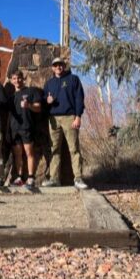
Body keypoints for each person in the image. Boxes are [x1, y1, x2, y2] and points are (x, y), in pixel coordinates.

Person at [42, 58, 88, 189]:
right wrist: (47, 100)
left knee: (74, 148)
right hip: (53, 119)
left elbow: (79, 98)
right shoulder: (49, 83)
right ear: (52, 67)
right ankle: (54, 178)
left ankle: (78, 178)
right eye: (55, 65)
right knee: (54, 149)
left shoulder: (73, 79)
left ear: (64, 65)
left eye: (60, 65)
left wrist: (78, 116)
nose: (58, 67)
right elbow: (44, 99)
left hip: (70, 117)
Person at [7, 71, 42, 188]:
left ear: (23, 79)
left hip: (27, 127)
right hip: (14, 129)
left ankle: (31, 178)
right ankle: (20, 178)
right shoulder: (11, 97)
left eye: (19, 78)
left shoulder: (31, 91)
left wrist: (29, 106)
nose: (17, 81)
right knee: (17, 155)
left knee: (29, 153)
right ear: (12, 80)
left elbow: (38, 108)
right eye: (14, 78)